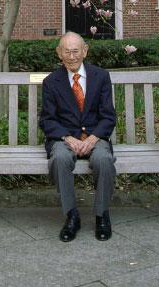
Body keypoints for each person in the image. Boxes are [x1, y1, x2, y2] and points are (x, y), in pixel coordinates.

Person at [39, 32, 117, 242]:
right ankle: (72, 215)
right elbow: (47, 120)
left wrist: (93, 138)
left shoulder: (101, 76)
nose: (72, 56)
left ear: (85, 50)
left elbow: (108, 116)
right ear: (59, 53)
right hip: (65, 139)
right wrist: (67, 138)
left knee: (104, 159)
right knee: (60, 159)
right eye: (67, 51)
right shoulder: (51, 82)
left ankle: (102, 215)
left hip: (95, 137)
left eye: (76, 51)